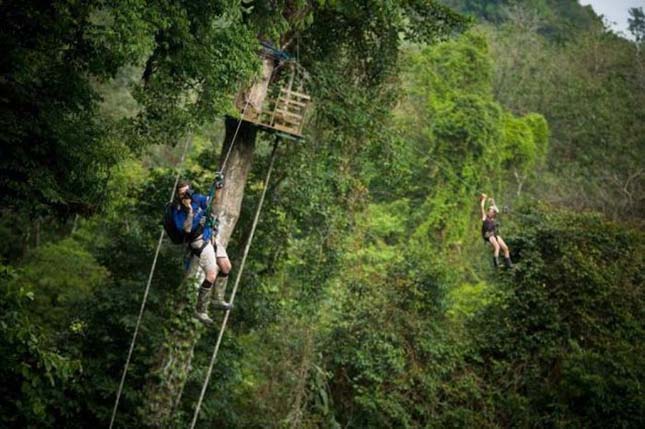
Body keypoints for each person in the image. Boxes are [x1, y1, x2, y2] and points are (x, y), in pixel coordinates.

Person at [173, 175, 232, 324]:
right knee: (211, 274)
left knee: (226, 267)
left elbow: (214, 203)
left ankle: (217, 299)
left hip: (209, 236)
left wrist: (218, 188)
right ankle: (200, 310)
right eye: (182, 194)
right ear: (178, 196)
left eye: (187, 192)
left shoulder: (197, 198)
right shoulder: (178, 212)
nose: (186, 196)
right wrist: (189, 210)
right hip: (198, 242)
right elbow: (186, 230)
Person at [480, 193, 512, 269]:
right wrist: (484, 199)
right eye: (490, 210)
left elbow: (496, 210)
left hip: (494, 234)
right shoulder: (485, 217)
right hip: (488, 234)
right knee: (497, 247)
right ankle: (496, 264)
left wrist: (493, 202)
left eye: (492, 211)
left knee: (506, 248)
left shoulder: (494, 218)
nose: (490, 212)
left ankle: (509, 264)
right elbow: (482, 207)